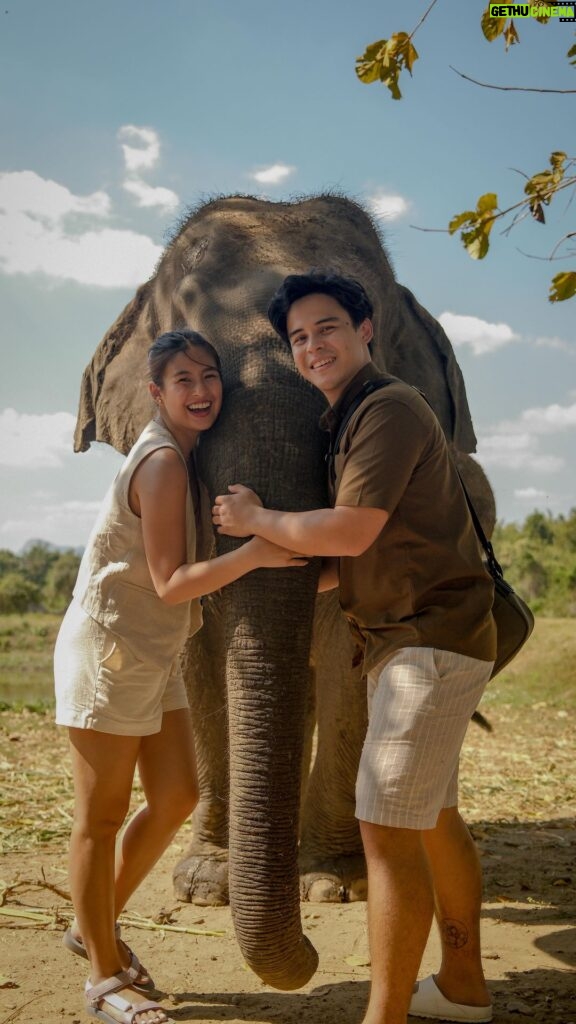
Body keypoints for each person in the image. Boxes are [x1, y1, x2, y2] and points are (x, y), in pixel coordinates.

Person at [212, 272, 497, 1024]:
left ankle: (384, 1017)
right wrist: (250, 571)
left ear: (366, 328)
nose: (313, 346)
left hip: (426, 643)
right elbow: (347, 565)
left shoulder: (389, 408)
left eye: (327, 327)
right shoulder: (349, 421)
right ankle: (463, 988)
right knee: (432, 817)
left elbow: (347, 531)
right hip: (415, 643)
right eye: (299, 337)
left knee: (384, 827)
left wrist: (256, 516)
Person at [54, 328, 307, 1024]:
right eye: (183, 380)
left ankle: (91, 928)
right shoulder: (163, 463)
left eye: (209, 376)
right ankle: (105, 979)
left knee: (176, 796)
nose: (200, 391)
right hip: (108, 652)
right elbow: (170, 582)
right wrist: (258, 552)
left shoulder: (190, 457)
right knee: (99, 819)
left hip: (153, 651)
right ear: (154, 392)